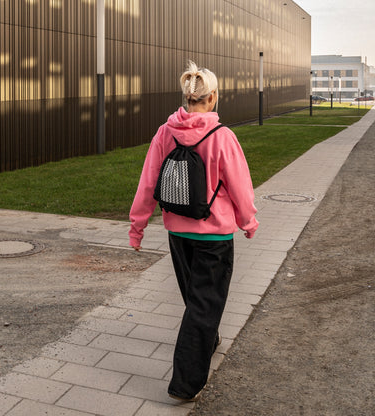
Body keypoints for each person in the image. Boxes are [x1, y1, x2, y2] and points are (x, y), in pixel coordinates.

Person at [129, 60, 259, 401]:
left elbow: (147, 183)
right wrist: (248, 222)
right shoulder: (222, 137)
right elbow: (240, 187)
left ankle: (208, 338)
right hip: (213, 236)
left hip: (178, 233)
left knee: (196, 297)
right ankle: (185, 384)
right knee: (204, 304)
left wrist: (137, 227)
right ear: (212, 97)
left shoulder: (164, 132)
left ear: (187, 97)